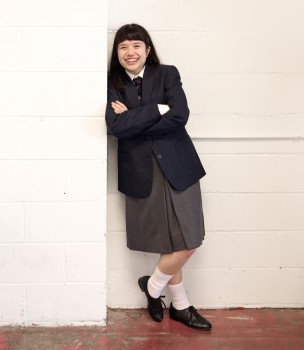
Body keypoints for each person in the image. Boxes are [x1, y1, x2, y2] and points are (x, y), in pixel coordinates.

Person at [106, 23, 211, 331]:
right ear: (117, 53)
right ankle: (180, 306)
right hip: (141, 170)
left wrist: (134, 117)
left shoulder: (167, 74)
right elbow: (117, 127)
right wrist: (156, 110)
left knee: (189, 240)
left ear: (147, 50)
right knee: (170, 241)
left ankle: (152, 287)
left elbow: (180, 115)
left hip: (178, 165)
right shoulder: (109, 83)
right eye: (123, 47)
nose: (130, 52)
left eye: (136, 46)